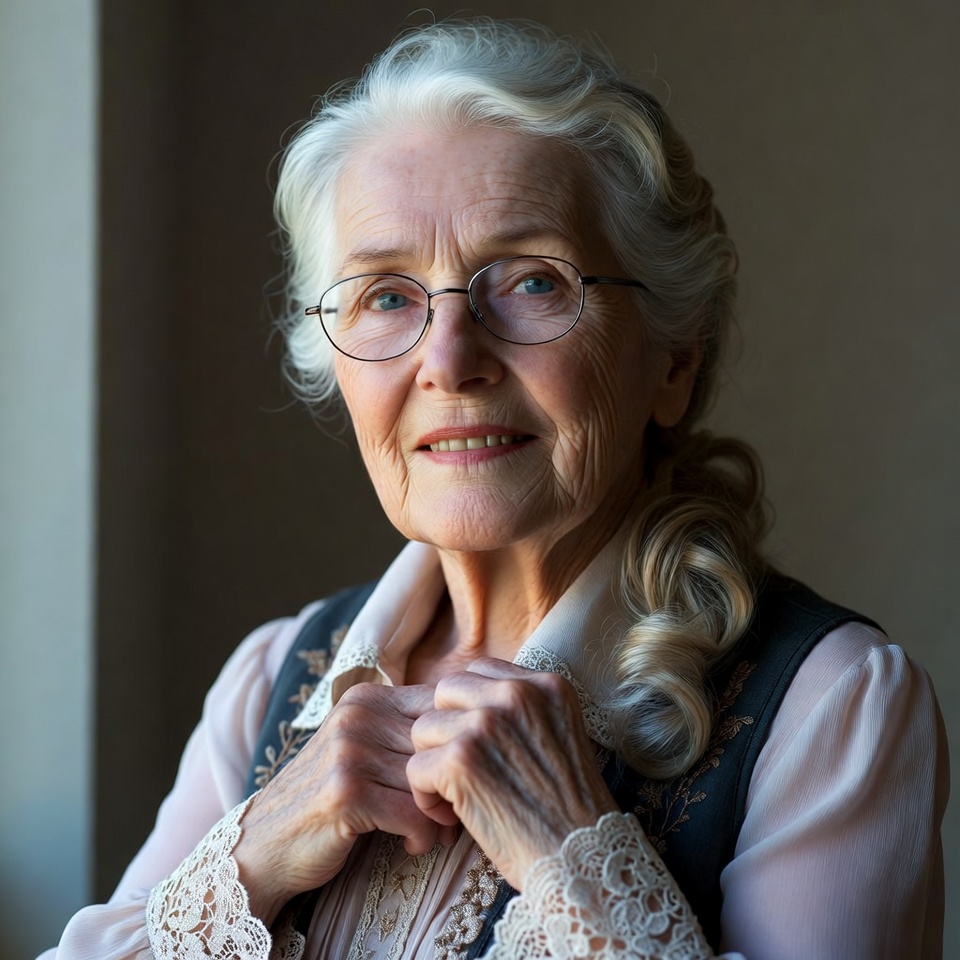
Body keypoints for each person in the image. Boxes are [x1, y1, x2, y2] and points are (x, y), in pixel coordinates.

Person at [39, 18, 947, 960]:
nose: (449, 359)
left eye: (531, 282)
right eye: (386, 295)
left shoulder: (831, 707)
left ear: (674, 359)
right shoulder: (271, 678)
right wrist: (253, 857)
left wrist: (572, 856)